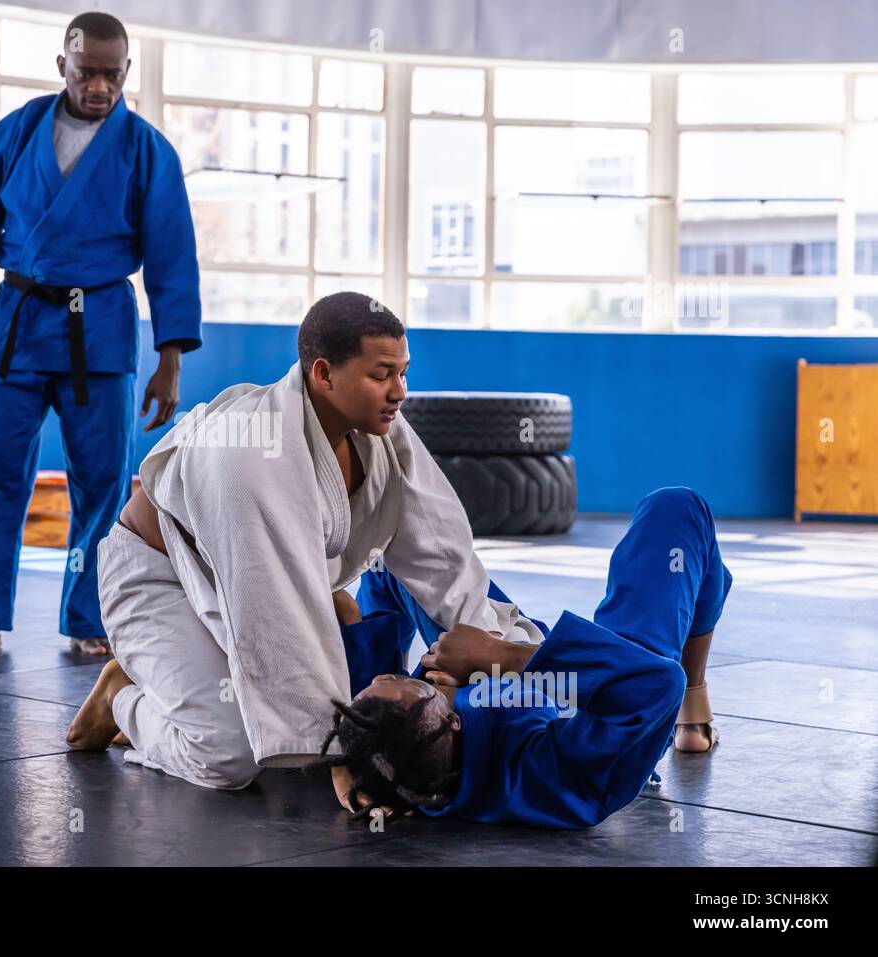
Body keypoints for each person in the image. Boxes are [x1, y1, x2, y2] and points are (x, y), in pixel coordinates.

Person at [66, 292, 542, 789]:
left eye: (403, 372)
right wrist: (339, 760)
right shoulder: (249, 452)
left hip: (245, 577)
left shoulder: (385, 435)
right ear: (323, 374)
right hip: (159, 582)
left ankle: (186, 689)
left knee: (337, 692)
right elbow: (274, 606)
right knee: (230, 756)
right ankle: (120, 702)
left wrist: (499, 652)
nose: (398, 391)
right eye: (381, 375)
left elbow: (441, 551)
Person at [0, 12, 201, 658]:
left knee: (102, 482)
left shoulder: (147, 151)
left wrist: (170, 359)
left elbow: (171, 256)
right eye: (86, 72)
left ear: (126, 72)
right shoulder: (15, 134)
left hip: (98, 327)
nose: (99, 86)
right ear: (62, 67)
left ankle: (89, 618)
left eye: (111, 74)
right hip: (15, 321)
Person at [318, 486, 732, 829]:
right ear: (452, 719)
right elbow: (655, 686)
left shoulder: (411, 759)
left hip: (489, 683)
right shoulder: (556, 774)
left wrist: (345, 761)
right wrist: (503, 656)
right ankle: (693, 718)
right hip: (602, 690)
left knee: (392, 551)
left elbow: (382, 735)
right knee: (676, 509)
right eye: (415, 684)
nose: (389, 678)